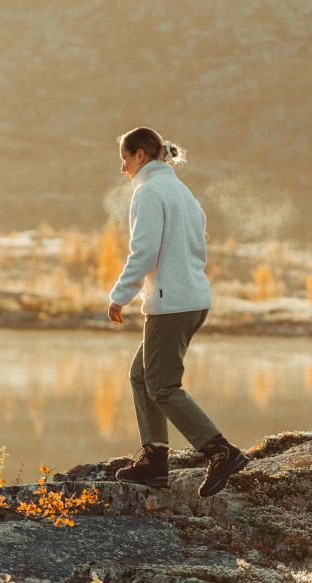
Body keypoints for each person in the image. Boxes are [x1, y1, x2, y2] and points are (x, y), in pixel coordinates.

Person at [108, 127, 249, 497]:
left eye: (124, 158)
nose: (123, 168)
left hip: (172, 305)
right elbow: (195, 240)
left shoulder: (149, 191)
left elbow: (144, 252)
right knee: (141, 376)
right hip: (191, 299)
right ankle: (155, 460)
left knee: (162, 385)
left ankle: (220, 452)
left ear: (140, 156)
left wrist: (120, 295)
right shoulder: (181, 191)